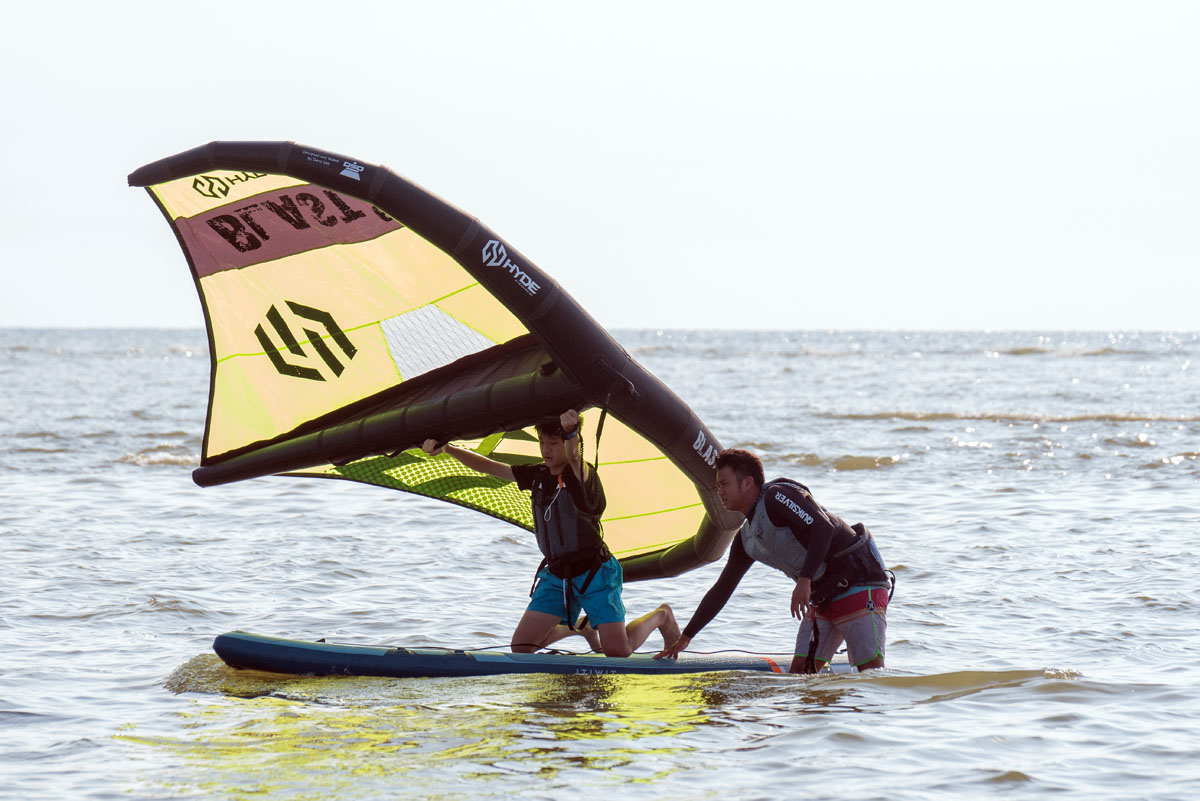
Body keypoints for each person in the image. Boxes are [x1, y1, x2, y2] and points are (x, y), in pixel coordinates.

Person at [422, 409, 680, 657]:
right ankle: (581, 627)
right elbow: (490, 467)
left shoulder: (582, 475)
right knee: (522, 646)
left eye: (553, 443)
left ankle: (661, 615)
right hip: (557, 575)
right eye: (542, 442)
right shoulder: (538, 475)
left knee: (618, 651)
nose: (546, 450)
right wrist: (448, 448)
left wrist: (571, 433)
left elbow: (575, 457)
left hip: (595, 574)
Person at [656, 448, 891, 673]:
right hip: (824, 596)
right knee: (802, 674)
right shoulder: (746, 539)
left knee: (869, 673)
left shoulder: (777, 495)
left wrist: (804, 581)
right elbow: (723, 587)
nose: (720, 492)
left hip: (859, 583)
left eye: (725, 484)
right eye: (718, 485)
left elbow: (823, 527)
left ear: (748, 483)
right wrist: (687, 635)